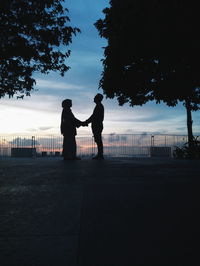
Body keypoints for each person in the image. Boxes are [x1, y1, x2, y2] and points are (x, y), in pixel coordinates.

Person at [85, 93, 104, 160]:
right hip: (97, 125)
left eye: (95, 97)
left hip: (97, 125)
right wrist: (87, 121)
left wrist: (86, 122)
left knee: (98, 140)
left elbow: (93, 117)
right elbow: (93, 116)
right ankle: (100, 154)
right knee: (98, 140)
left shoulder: (99, 106)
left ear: (98, 99)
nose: (93, 98)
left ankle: (100, 155)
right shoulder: (99, 106)